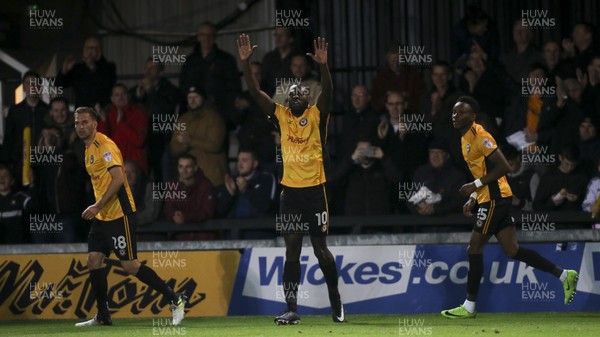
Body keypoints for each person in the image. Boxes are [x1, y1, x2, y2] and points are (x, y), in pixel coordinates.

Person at [238, 33, 345, 324]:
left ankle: (336, 300)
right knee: (291, 252)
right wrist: (246, 63)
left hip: (315, 191)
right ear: (287, 98)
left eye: (301, 93)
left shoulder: (317, 115)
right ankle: (292, 309)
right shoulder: (280, 115)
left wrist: (324, 67)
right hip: (290, 195)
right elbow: (253, 90)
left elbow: (330, 91)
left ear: (308, 98)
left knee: (321, 248)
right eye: (292, 93)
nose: (296, 95)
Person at [441, 96, 578, 319]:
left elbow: (504, 167)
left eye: (461, 112)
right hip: (492, 197)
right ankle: (564, 275)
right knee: (512, 250)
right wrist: (474, 196)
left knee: (474, 248)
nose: (455, 116)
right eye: (454, 112)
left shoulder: (481, 136)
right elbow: (482, 172)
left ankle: (469, 306)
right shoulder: (464, 138)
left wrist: (473, 187)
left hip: (495, 199)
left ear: (473, 116)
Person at [72, 107, 186, 327]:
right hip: (103, 217)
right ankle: (103, 315)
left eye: (85, 122)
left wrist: (97, 205)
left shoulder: (105, 146)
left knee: (130, 266)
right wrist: (99, 209)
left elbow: (118, 179)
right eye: (77, 123)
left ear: (95, 124)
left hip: (119, 215)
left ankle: (175, 299)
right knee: (93, 261)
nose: (80, 127)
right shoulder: (87, 149)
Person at [179, 21, 241, 129]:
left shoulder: (226, 60)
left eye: (210, 35)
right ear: (198, 37)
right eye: (203, 35)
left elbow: (234, 87)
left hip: (219, 115)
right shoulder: (190, 61)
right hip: (194, 116)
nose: (206, 38)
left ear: (215, 37)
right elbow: (184, 86)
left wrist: (217, 102)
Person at [170, 86, 228, 187]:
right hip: (189, 178)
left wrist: (190, 141)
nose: (192, 100)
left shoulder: (214, 118)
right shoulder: (183, 119)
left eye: (196, 97)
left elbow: (215, 145)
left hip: (211, 176)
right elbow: (174, 149)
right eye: (189, 97)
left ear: (203, 98)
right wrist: (184, 145)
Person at [98, 83, 149, 174]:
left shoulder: (139, 114)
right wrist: (103, 122)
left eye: (123, 94)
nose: (120, 97)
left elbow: (139, 141)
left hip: (136, 167)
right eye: (117, 95)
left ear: (129, 96)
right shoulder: (108, 115)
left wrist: (122, 124)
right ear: (112, 99)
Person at [408, 138, 466, 217]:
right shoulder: (421, 173)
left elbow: (460, 202)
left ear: (447, 155)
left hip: (449, 226)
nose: (435, 156)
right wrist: (419, 208)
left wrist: (435, 209)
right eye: (432, 152)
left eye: (439, 152)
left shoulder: (457, 176)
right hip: (424, 226)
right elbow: (410, 199)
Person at [164, 154, 216, 241]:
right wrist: (174, 215)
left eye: (188, 167)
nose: (183, 170)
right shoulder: (173, 184)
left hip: (203, 236)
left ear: (195, 168)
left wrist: (185, 217)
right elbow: (169, 207)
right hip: (180, 236)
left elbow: (207, 211)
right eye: (181, 166)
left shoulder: (205, 185)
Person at [56, 36, 116, 108]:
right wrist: (64, 70)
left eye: (95, 48)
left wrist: (92, 67)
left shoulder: (109, 67)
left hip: (103, 110)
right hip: (83, 111)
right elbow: (59, 84)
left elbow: (104, 84)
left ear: (100, 50)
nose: (91, 51)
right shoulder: (77, 68)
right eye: (89, 48)